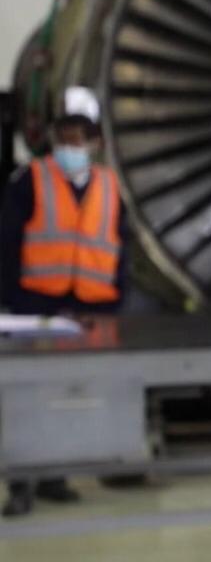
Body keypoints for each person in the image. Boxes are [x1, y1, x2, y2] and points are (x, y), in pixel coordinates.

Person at [0, 114, 127, 517]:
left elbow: (120, 244)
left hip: (89, 305)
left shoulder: (109, 185)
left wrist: (114, 297)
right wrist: (10, 298)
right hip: (36, 304)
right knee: (27, 395)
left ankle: (55, 476)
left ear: (95, 144)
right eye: (61, 142)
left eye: (76, 142)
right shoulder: (30, 179)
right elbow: (7, 240)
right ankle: (21, 482)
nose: (68, 151)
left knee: (65, 394)